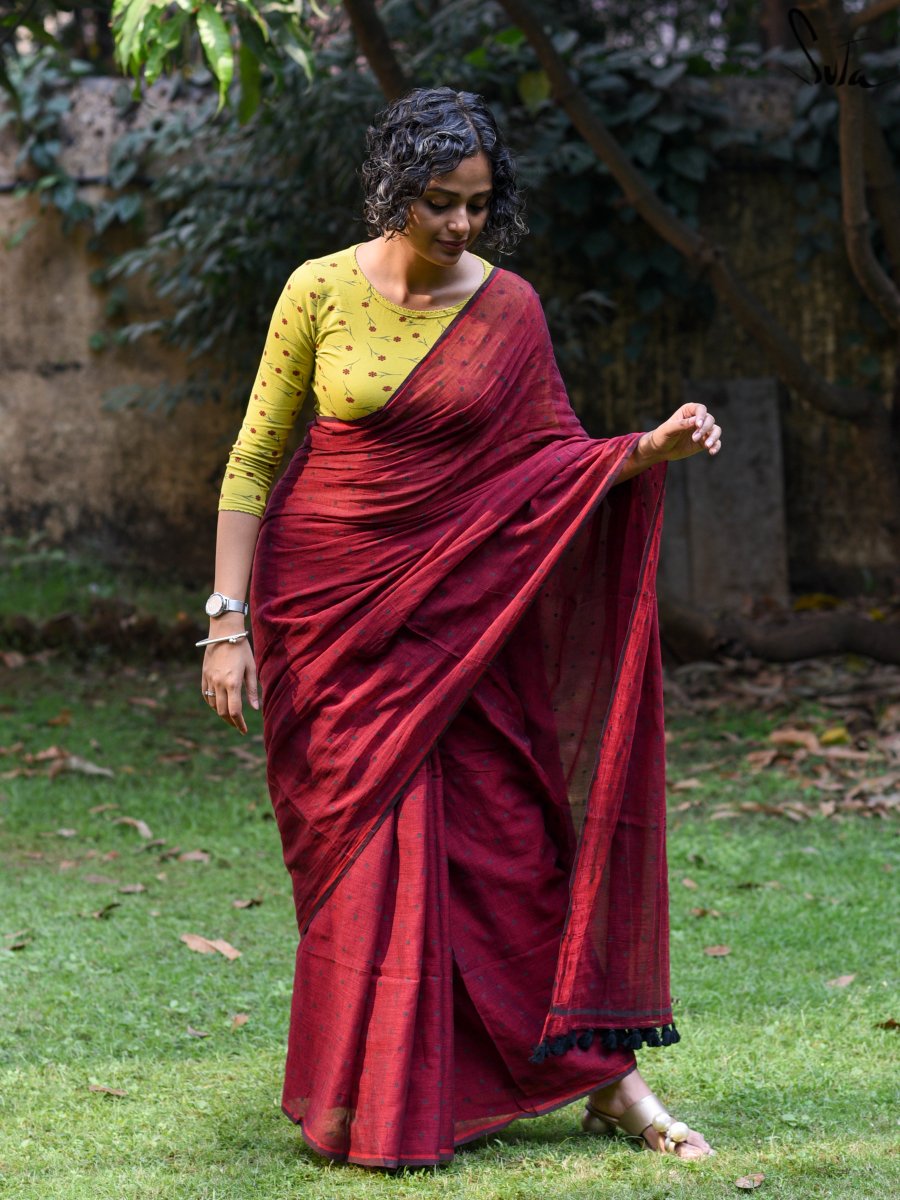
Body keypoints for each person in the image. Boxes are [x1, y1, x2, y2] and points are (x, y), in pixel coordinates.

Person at [200, 87, 721, 1170]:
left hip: (462, 622)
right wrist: (227, 622)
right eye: (439, 201)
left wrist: (649, 450)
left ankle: (606, 1075)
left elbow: (549, 467)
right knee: (363, 863)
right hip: (327, 617)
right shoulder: (317, 292)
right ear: (393, 187)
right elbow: (254, 461)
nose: (459, 225)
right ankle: (368, 1097)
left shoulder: (510, 310)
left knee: (511, 849)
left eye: (479, 205)